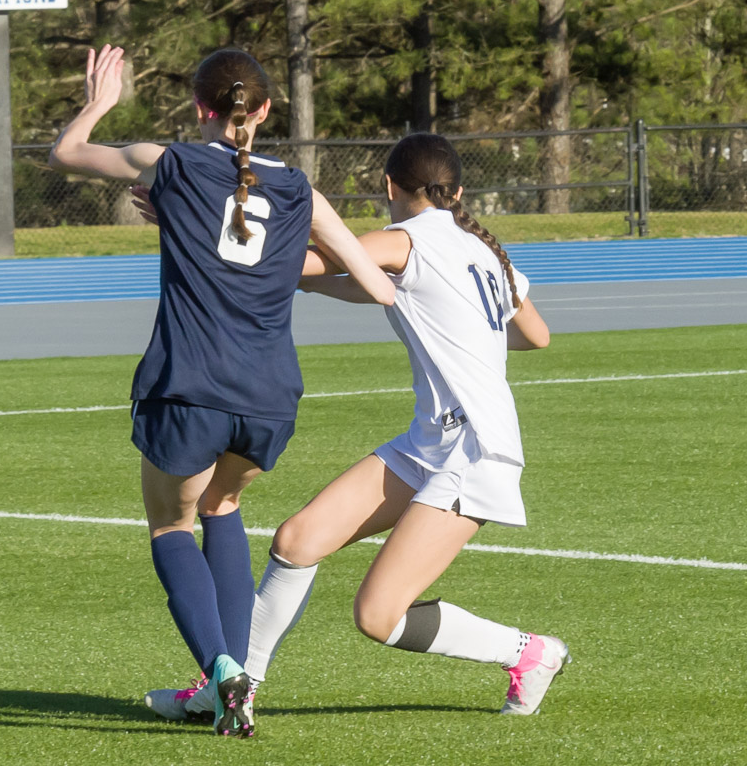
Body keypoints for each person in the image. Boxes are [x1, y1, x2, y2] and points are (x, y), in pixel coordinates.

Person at [149, 132, 565, 723]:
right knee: (296, 542)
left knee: (378, 615)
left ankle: (530, 652)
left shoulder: (405, 238)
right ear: (458, 191)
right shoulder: (482, 246)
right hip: (434, 440)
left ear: (390, 188)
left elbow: (296, 259)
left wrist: (187, 215)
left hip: (475, 452)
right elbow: (536, 334)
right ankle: (230, 692)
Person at [48, 45, 395, 737]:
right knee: (224, 501)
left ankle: (224, 672)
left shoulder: (170, 162)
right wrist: (286, 265)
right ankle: (240, 685)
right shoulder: (302, 191)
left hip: (191, 386)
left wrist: (100, 101)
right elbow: (378, 285)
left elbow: (67, 153)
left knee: (172, 523)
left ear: (200, 108)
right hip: (270, 395)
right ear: (265, 110)